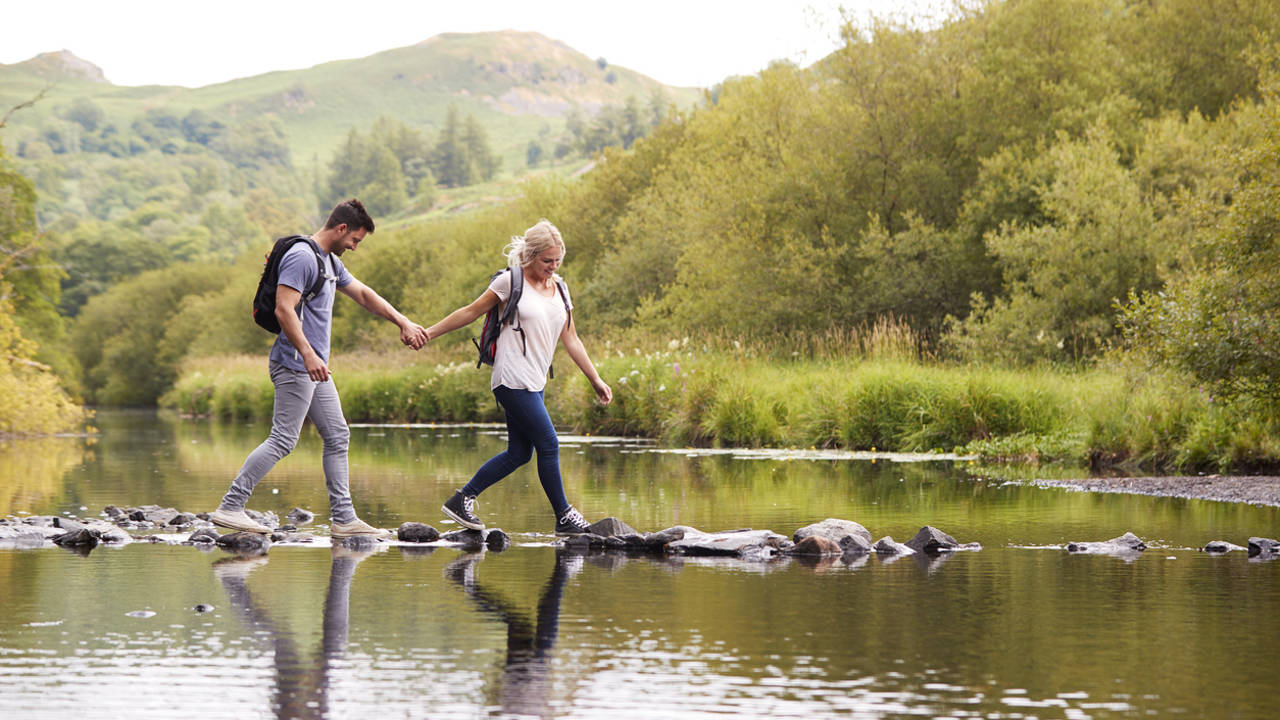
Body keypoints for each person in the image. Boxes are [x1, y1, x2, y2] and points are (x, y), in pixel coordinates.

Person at [210, 198, 428, 538]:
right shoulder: (302, 257)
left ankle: (344, 519)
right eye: (354, 240)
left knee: (338, 435)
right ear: (341, 228)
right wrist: (309, 354)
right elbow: (284, 309)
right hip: (297, 364)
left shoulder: (329, 262)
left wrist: (402, 321)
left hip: (314, 368)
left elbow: (364, 295)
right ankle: (230, 507)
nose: (354, 247)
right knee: (283, 439)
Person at [425, 219, 612, 535]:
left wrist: (596, 379)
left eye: (557, 260)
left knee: (520, 453)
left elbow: (572, 339)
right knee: (549, 444)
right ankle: (564, 516)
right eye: (546, 261)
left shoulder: (560, 290)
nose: (552, 267)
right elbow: (469, 312)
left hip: (536, 381)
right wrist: (429, 333)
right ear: (530, 255)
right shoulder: (510, 283)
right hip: (510, 378)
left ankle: (462, 500)